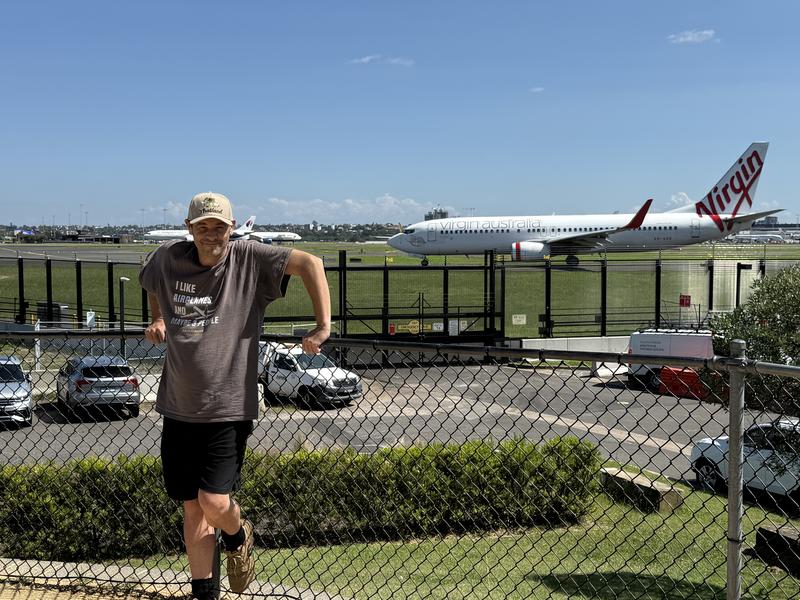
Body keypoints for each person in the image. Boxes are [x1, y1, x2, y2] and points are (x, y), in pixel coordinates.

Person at [139, 192, 330, 600]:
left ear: (232, 226)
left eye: (219, 226)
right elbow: (150, 280)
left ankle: (238, 534)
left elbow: (311, 263)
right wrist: (157, 317)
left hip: (227, 406)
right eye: (203, 226)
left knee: (213, 500)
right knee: (192, 507)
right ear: (189, 228)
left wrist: (322, 327)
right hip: (178, 405)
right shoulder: (167, 258)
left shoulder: (249, 258)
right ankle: (203, 593)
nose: (211, 234)